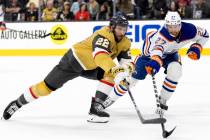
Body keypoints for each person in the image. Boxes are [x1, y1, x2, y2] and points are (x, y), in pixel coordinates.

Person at [2, 13, 134, 123]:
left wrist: (126, 72)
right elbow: (100, 57)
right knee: (45, 88)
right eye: (119, 28)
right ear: (112, 27)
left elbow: (126, 62)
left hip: (92, 67)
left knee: (110, 73)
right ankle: (17, 103)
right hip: (73, 61)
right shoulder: (103, 34)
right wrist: (118, 71)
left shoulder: (125, 42)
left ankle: (96, 108)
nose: (122, 32)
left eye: (124, 29)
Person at [99, 11, 209, 116]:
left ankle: (162, 102)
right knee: (131, 80)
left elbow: (205, 35)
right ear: (166, 25)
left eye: (176, 26)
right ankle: (111, 98)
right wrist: (155, 64)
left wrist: (197, 47)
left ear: (180, 24)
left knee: (175, 71)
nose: (173, 29)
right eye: (170, 26)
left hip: (171, 54)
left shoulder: (190, 29)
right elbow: (157, 53)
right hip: (147, 57)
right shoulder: (161, 37)